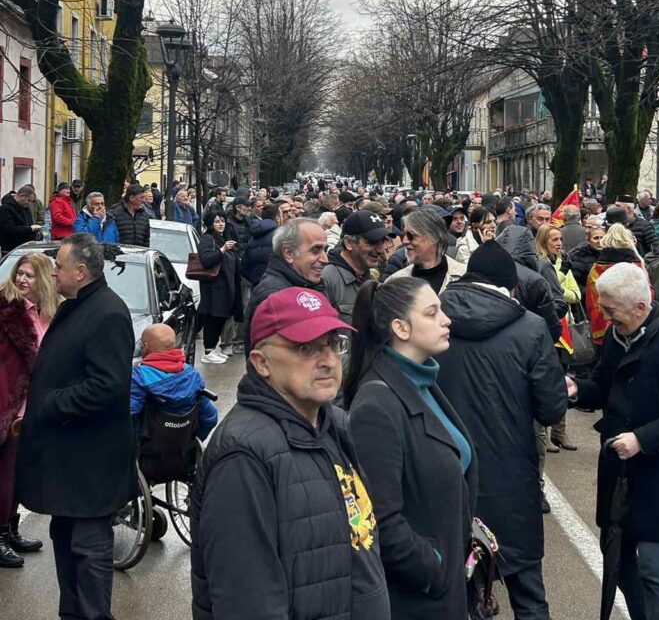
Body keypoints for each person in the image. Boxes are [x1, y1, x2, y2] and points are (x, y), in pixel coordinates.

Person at [191, 287, 390, 620]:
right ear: (261, 363)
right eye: (304, 348)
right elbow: (249, 604)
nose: (328, 360)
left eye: (331, 343)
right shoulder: (244, 457)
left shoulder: (333, 425)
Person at [566, 263, 659, 620]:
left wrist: (642, 439)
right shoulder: (616, 337)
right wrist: (575, 389)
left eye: (611, 309)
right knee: (617, 557)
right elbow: (603, 385)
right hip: (618, 471)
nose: (603, 315)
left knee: (654, 567)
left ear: (640, 308)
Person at [438, 248, 568, 618]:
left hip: (449, 474)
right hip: (511, 474)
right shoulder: (530, 327)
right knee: (527, 591)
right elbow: (551, 408)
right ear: (512, 286)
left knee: (459, 594)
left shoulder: (433, 319)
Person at [15, 234, 136, 619]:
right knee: (65, 539)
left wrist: (49, 404)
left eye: (60, 267)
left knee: (88, 546)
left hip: (91, 463)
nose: (54, 272)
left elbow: (107, 385)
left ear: (80, 272)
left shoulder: (108, 312)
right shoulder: (80, 305)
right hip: (71, 460)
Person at [346, 278, 476, 619]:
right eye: (432, 313)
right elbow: (382, 522)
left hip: (446, 586)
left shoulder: (421, 381)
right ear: (401, 328)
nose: (446, 320)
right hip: (419, 601)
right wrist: (436, 569)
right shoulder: (375, 406)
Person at [0, 253, 60, 568]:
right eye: (19, 273)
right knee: (5, 473)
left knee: (19, 473)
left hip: (33, 405)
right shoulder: (8, 309)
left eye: (30, 275)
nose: (22, 280)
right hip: (7, 403)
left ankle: (11, 528)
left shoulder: (49, 312)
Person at [244, 218, 329, 354]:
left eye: (325, 249)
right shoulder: (274, 297)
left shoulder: (309, 284)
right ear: (288, 253)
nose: (325, 259)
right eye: (315, 250)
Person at [535, 223, 580, 452]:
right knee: (545, 381)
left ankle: (559, 432)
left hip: (564, 327)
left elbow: (575, 294)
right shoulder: (539, 264)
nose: (560, 244)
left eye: (561, 239)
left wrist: (561, 283)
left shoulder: (563, 262)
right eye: (554, 240)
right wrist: (559, 282)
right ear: (543, 242)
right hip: (546, 330)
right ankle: (543, 432)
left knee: (561, 378)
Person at [130, 324, 217, 440]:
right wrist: (192, 442)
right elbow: (210, 417)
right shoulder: (191, 373)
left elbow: (128, 420)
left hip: (148, 453)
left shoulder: (139, 378)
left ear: (145, 346)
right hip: (185, 452)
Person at [322, 210, 392, 324]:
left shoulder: (370, 276)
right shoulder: (327, 279)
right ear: (349, 242)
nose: (381, 249)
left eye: (383, 240)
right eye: (372, 241)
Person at [585, 223, 646, 346]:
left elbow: (591, 301)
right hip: (635, 324)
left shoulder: (597, 269)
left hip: (604, 326)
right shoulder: (637, 267)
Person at [197, 211, 242, 364]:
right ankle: (208, 351)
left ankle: (212, 349)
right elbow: (206, 260)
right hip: (214, 288)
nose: (221, 224)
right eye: (217, 221)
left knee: (222, 317)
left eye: (222, 221)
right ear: (210, 224)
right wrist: (222, 249)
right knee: (213, 318)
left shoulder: (224, 237)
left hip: (227, 286)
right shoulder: (207, 239)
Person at [387, 208, 467, 295]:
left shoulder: (465, 277)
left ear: (434, 237)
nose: (404, 241)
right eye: (405, 235)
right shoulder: (395, 283)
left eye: (411, 235)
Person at [220, 195, 254, 355]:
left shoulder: (249, 222)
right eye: (246, 207)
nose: (249, 209)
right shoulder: (228, 224)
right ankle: (226, 342)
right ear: (239, 207)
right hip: (232, 269)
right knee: (231, 306)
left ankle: (238, 341)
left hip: (245, 270)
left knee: (245, 306)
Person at [242, 204, 281, 287]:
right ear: (277, 218)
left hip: (257, 286)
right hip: (276, 285)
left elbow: (244, 265)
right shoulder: (280, 235)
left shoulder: (253, 236)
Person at [0, 185, 42, 253]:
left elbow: (29, 224)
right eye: (29, 200)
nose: (29, 203)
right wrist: (30, 228)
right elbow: (8, 229)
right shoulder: (5, 208)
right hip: (11, 250)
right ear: (22, 196)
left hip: (25, 247)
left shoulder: (25, 208)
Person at [570, 225, 606, 295]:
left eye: (602, 238)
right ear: (588, 241)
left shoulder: (610, 255)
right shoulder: (579, 256)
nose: (600, 241)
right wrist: (591, 293)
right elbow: (576, 282)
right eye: (596, 238)